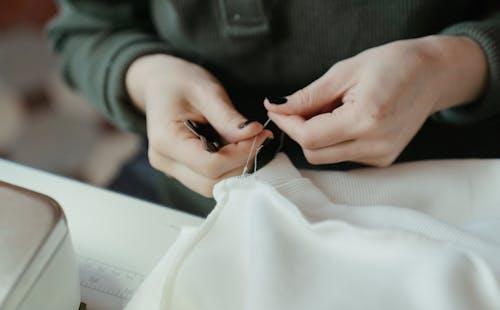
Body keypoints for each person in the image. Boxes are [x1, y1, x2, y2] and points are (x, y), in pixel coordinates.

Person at [47, 1, 500, 216]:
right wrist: (147, 78)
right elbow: (87, 29)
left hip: (455, 191)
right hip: (189, 194)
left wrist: (453, 66)